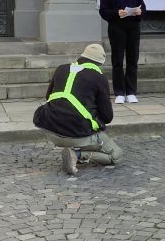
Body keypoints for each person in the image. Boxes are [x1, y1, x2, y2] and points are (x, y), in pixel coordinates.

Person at [33, 43, 122, 175]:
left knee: (78, 118)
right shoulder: (99, 77)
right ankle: (77, 155)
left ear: (82, 56)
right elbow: (107, 117)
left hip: (49, 128)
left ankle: (74, 147)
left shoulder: (61, 69)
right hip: (76, 132)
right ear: (100, 63)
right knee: (116, 155)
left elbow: (48, 97)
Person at [99, 0, 146, 104]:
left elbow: (142, 6)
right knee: (118, 61)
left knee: (133, 60)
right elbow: (103, 11)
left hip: (133, 28)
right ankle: (119, 92)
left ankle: (131, 92)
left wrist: (139, 12)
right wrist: (116, 13)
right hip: (116, 28)